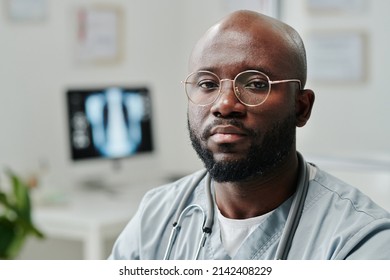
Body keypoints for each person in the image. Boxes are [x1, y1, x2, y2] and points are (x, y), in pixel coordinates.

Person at [109, 10, 390, 260]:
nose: (224, 105)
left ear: (301, 107)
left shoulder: (361, 242)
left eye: (256, 84)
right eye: (207, 83)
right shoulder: (156, 216)